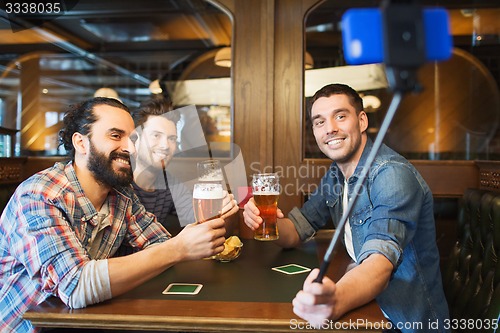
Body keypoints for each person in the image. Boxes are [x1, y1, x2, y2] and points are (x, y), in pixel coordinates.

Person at [0, 97, 227, 332]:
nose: (130, 148)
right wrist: (179, 248)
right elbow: (76, 287)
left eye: (133, 138)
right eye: (116, 136)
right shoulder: (40, 194)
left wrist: (184, 244)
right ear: (80, 142)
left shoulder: (121, 195)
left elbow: (159, 244)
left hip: (80, 323)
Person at [243, 84, 450, 332]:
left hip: (404, 322)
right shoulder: (337, 174)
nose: (330, 128)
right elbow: (298, 229)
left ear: (361, 121)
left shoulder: (392, 174)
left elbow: (380, 262)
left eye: (340, 116)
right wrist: (267, 222)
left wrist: (335, 301)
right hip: (368, 310)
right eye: (319, 122)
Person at [131, 96, 238, 236]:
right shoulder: (119, 181)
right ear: (135, 139)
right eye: (156, 135)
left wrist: (225, 211)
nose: (165, 146)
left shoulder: (170, 183)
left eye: (172, 138)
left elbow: (201, 223)